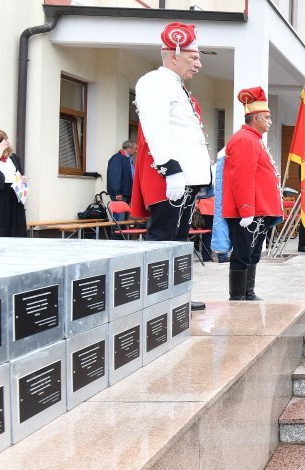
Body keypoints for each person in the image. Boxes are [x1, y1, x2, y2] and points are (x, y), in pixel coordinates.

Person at [131, 22, 212, 311]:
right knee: (164, 238)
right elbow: (155, 130)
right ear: (174, 54)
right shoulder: (154, 82)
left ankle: (176, 296)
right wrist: (171, 169)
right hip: (170, 178)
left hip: (184, 178)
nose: (199, 64)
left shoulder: (175, 87)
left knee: (179, 239)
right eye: (194, 57)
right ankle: (156, 300)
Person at [222, 86, 283, 301]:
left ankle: (248, 292)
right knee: (242, 253)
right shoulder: (244, 140)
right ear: (255, 117)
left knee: (252, 253)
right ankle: (238, 295)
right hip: (248, 212)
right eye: (267, 117)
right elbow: (242, 177)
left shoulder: (253, 139)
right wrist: (246, 209)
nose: (270, 121)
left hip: (257, 211)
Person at [106, 140, 136, 220]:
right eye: (134, 149)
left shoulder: (128, 159)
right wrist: (117, 192)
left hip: (126, 193)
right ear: (129, 148)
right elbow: (115, 176)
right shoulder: (117, 158)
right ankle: (117, 233)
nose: (136, 151)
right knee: (120, 219)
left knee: (125, 219)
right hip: (120, 194)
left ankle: (122, 233)